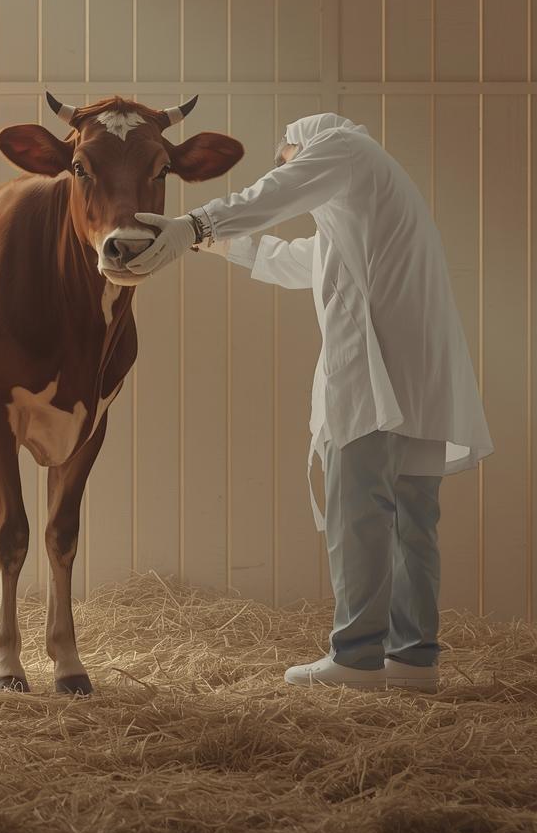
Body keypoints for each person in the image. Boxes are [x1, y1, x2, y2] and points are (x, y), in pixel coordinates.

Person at [128, 112, 492, 693]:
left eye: (284, 156)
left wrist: (193, 224)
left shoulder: (340, 148)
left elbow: (277, 193)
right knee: (411, 521)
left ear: (302, 143)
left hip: (381, 377)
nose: (283, 168)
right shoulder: (366, 200)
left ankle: (356, 657)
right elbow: (299, 261)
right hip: (418, 375)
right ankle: (412, 658)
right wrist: (213, 242)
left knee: (360, 513)